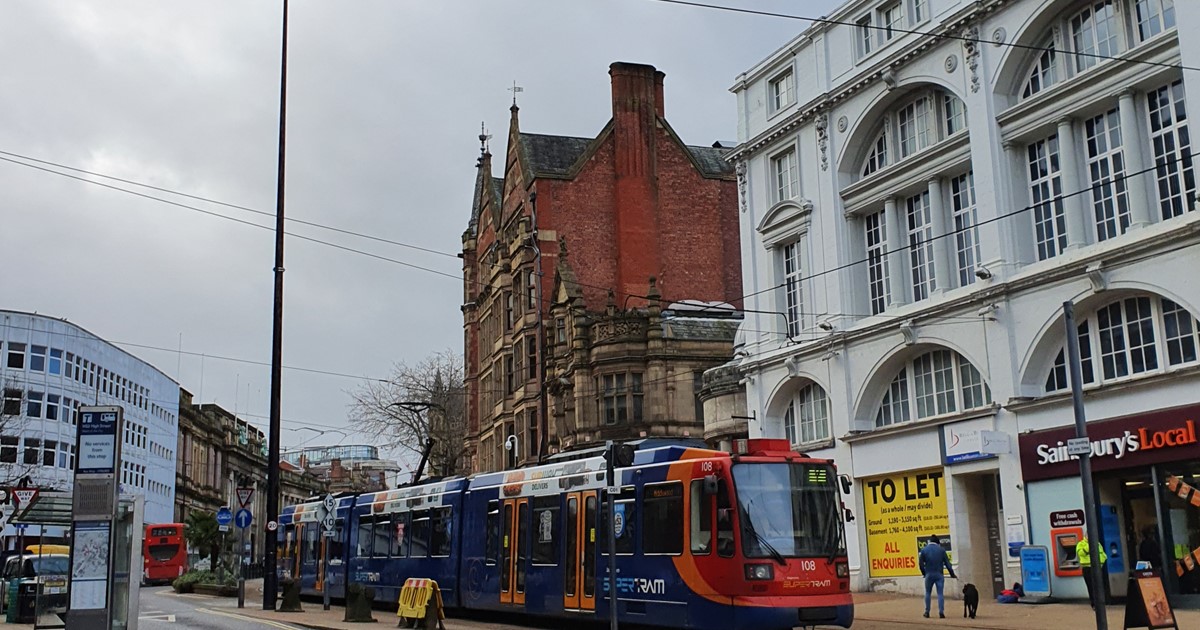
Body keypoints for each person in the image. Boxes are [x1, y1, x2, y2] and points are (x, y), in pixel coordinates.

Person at [919, 535, 957, 618]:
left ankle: (927, 612)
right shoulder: (941, 550)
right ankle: (941, 612)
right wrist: (952, 574)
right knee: (940, 593)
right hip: (939, 574)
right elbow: (948, 564)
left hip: (929, 574)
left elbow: (921, 564)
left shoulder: (924, 550)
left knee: (928, 593)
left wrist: (924, 573)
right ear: (937, 542)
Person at [1076, 535, 1108, 609]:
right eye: (1088, 535)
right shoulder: (1081, 544)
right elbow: (1081, 553)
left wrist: (1103, 560)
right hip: (1087, 568)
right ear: (1085, 536)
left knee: (1099, 585)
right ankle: (1094, 604)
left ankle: (1101, 602)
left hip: (1098, 567)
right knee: (1091, 586)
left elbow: (1102, 553)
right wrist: (1090, 545)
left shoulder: (1098, 543)